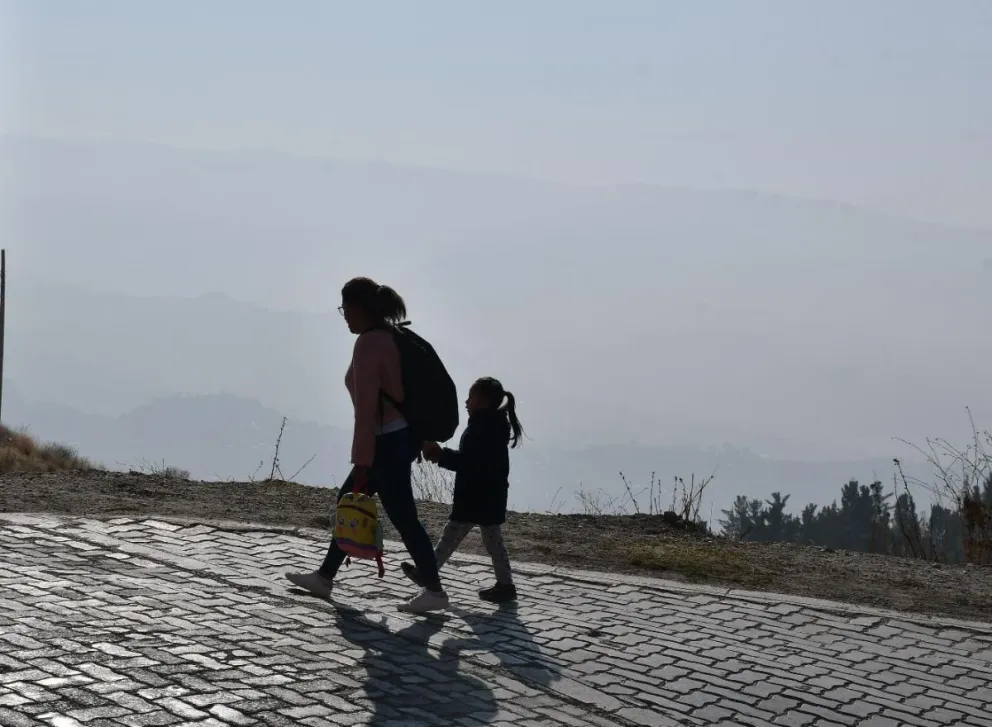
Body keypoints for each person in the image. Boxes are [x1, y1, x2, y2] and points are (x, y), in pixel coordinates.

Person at [285, 277, 450, 613]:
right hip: (396, 438)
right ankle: (325, 577)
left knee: (402, 517)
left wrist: (362, 461)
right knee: (350, 501)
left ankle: (434, 591)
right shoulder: (391, 336)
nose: (344, 315)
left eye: (346, 308)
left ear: (361, 308)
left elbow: (366, 412)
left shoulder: (368, 344)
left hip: (384, 443)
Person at [402, 376, 524, 604]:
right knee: (490, 541)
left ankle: (426, 573)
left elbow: (469, 462)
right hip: (489, 496)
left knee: (452, 537)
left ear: (484, 402)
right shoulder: (491, 425)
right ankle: (505, 585)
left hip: (475, 496)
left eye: (471, 397)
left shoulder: (483, 429)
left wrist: (441, 455)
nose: (466, 402)